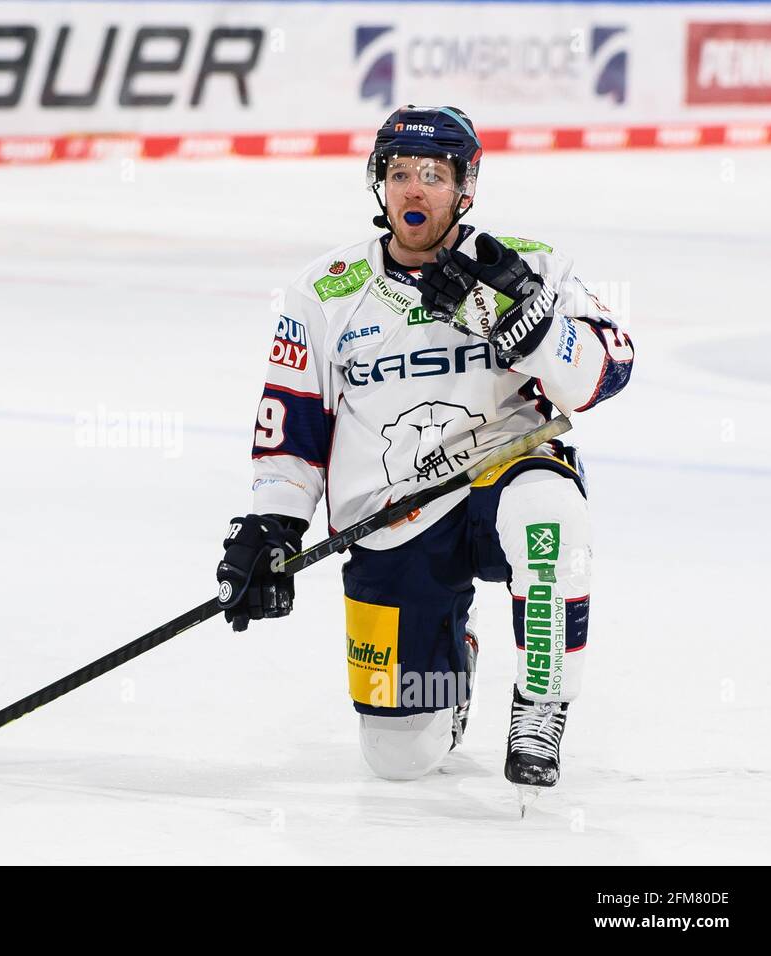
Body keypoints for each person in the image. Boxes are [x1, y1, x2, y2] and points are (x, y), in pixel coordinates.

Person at [216, 106, 634, 797]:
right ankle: (452, 660)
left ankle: (542, 700)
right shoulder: (326, 290)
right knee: (401, 757)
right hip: (393, 518)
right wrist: (274, 525)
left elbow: (606, 372)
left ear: (465, 188)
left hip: (503, 473)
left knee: (549, 517)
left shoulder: (527, 264)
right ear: (378, 184)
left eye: (433, 176)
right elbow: (291, 422)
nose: (414, 190)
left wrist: (526, 325)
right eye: (400, 173)